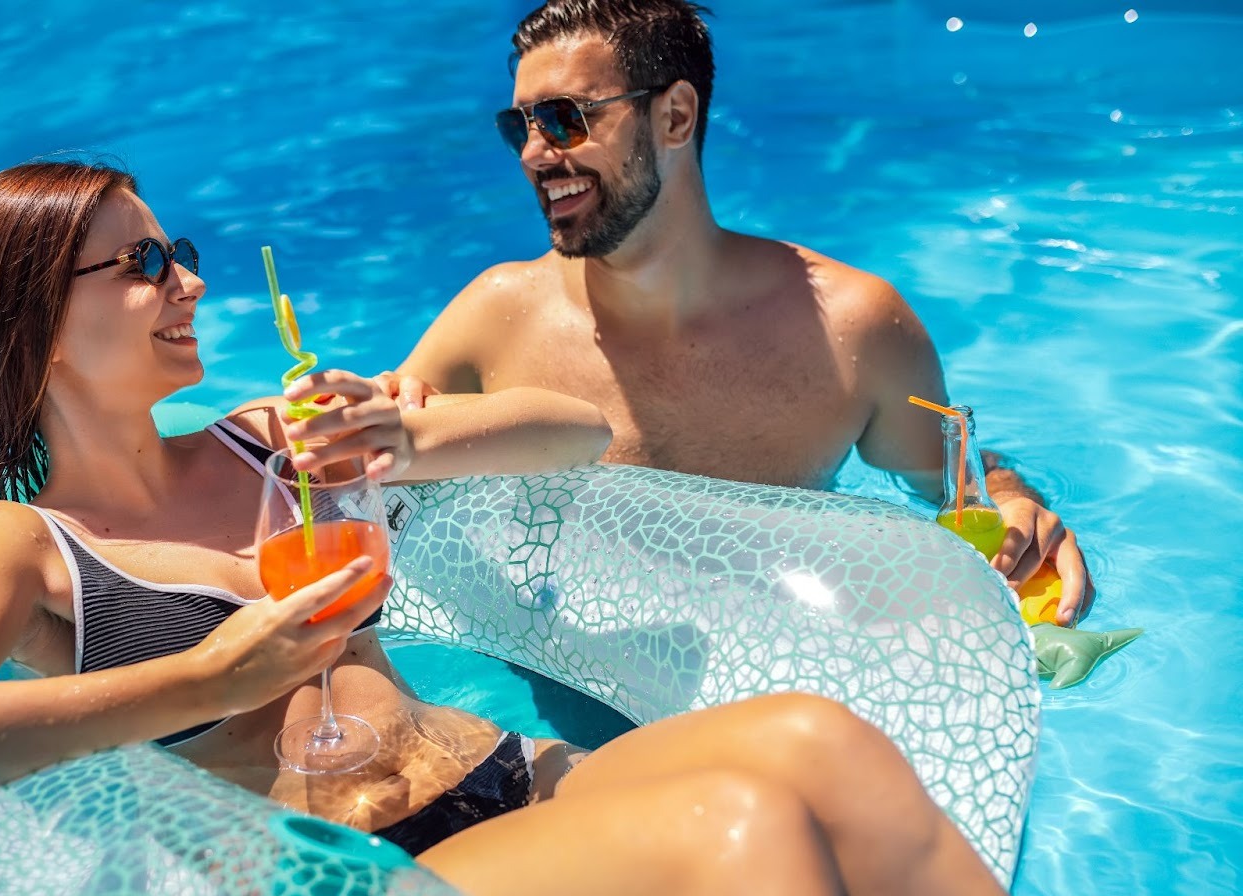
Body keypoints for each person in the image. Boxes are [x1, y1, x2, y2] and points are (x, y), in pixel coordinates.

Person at [0, 160, 1109, 896]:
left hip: (511, 781)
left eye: (187, 255)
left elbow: (573, 430)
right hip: (368, 888)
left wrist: (403, 431)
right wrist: (209, 679)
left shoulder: (274, 444)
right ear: (39, 318)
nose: (188, 283)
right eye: (146, 263)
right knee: (737, 834)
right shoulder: (20, 548)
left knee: (821, 746)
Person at [394, 0, 1095, 626]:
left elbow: (956, 481)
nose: (534, 154)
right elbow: (357, 478)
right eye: (517, 126)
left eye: (563, 120)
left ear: (674, 116)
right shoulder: (495, 315)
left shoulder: (854, 329)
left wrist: (1013, 509)